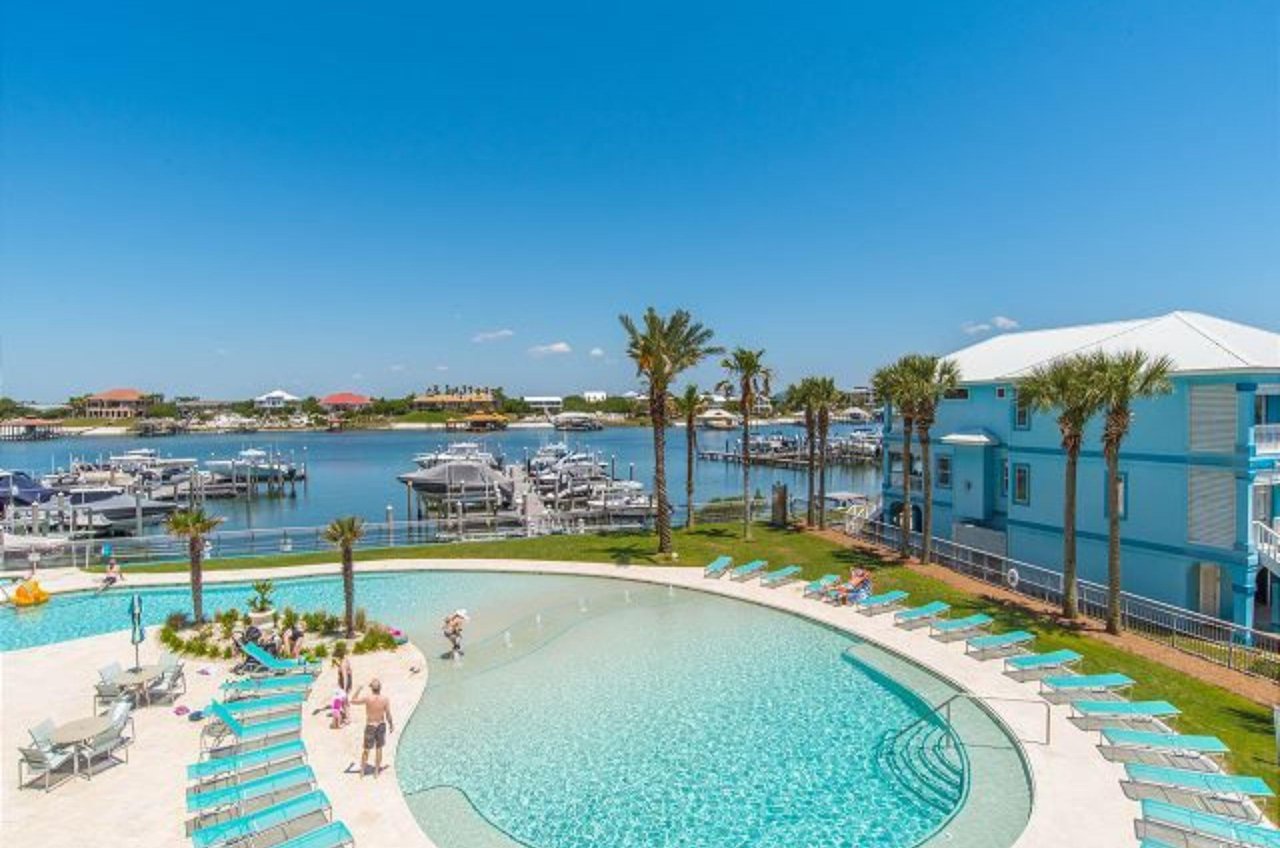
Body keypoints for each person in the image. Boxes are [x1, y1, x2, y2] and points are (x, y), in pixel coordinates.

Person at [351, 678, 393, 777]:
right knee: (379, 749)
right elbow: (388, 714)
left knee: (366, 749)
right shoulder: (385, 699)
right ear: (380, 688)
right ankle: (376, 772)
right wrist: (391, 724)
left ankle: (362, 772)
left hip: (370, 726)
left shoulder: (367, 698)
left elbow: (352, 700)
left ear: (371, 689)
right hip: (381, 725)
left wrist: (359, 689)